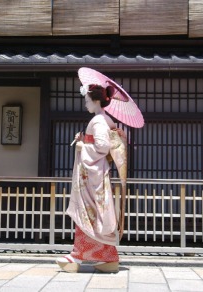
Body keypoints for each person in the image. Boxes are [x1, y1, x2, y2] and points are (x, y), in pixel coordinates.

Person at [56, 83, 125, 273]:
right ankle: (107, 257)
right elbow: (99, 142)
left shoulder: (98, 121)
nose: (85, 104)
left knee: (88, 213)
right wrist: (83, 139)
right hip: (96, 175)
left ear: (96, 101)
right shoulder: (105, 120)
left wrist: (81, 147)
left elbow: (102, 147)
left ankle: (78, 254)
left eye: (87, 101)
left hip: (91, 177)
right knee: (96, 213)